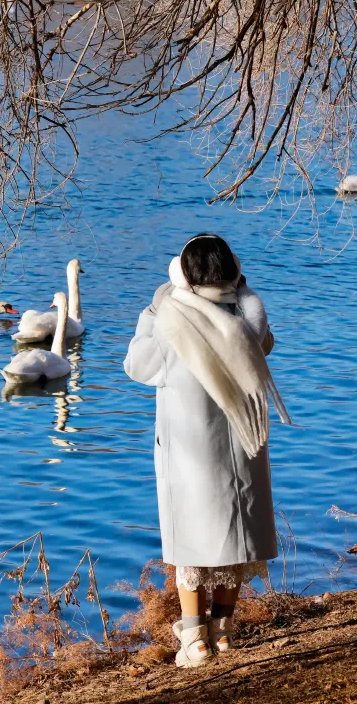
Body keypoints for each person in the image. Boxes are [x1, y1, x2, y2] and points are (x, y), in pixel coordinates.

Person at [124, 233, 289, 668]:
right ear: (233, 272)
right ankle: (224, 630)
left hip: (189, 452)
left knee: (190, 544)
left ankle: (195, 640)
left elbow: (137, 366)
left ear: (184, 275)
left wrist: (152, 311)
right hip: (241, 448)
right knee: (234, 536)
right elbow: (266, 344)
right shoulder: (246, 321)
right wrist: (244, 290)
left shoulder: (170, 320)